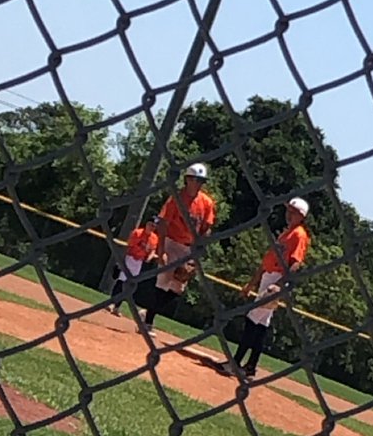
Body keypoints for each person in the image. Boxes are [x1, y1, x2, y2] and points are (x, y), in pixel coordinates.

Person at [223, 196, 311, 380]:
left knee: (252, 319)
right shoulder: (286, 233)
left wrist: (279, 285)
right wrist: (252, 283)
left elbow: (295, 264)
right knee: (261, 325)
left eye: (293, 212)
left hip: (276, 279)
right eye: (288, 210)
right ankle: (250, 367)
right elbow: (267, 261)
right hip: (269, 277)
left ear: (301, 216)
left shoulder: (299, 234)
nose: (289, 214)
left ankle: (236, 363)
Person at [142, 162, 216, 337]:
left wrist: (197, 252)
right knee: (164, 279)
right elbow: (163, 224)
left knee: (178, 288)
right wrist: (161, 251)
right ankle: (148, 323)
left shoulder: (206, 202)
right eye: (196, 180)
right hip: (171, 242)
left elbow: (207, 227)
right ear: (187, 179)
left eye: (201, 181)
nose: (198, 184)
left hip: (188, 248)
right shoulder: (176, 198)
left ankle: (148, 312)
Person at [107, 219, 159, 316]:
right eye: (151, 224)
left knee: (129, 284)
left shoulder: (154, 238)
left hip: (139, 262)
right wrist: (122, 261)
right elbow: (129, 246)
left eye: (154, 226)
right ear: (147, 224)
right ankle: (112, 303)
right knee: (121, 280)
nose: (152, 227)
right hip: (130, 258)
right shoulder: (137, 233)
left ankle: (117, 307)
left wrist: (150, 257)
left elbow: (152, 250)